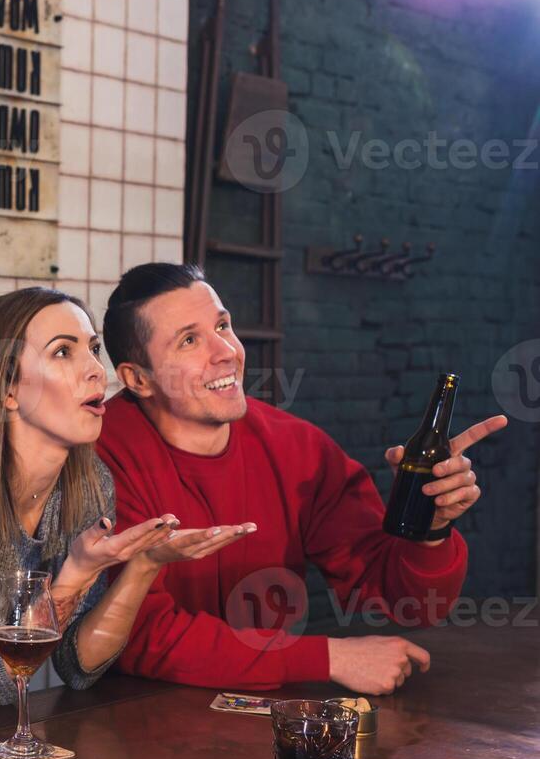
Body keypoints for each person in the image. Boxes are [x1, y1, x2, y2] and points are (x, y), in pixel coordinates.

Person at [96, 263, 508, 694]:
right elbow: (136, 636)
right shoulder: (104, 455)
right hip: (132, 716)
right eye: (189, 340)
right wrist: (329, 657)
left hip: (264, 720)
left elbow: (412, 604)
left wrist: (430, 527)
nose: (226, 352)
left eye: (222, 325)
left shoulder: (297, 447)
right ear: (137, 379)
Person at [0, 288, 252, 714]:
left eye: (93, 349)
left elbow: (80, 666)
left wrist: (144, 565)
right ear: (7, 390)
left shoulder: (89, 482)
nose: (97, 371)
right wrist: (77, 573)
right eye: (63, 352)